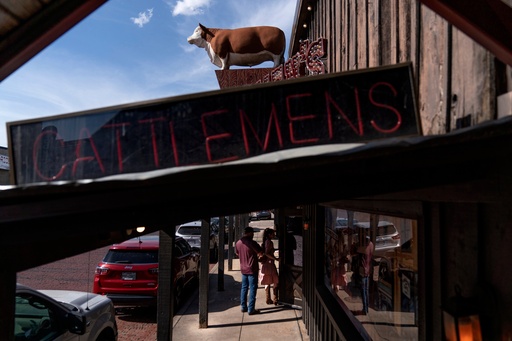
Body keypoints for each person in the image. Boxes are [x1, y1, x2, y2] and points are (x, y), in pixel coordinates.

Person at [235, 226, 264, 315]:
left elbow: (237, 253)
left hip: (243, 268)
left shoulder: (238, 243)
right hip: (252, 269)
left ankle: (243, 307)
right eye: (252, 233)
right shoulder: (252, 243)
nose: (253, 234)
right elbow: (260, 252)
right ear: (249, 233)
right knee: (252, 288)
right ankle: (251, 309)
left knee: (244, 288)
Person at [259, 228, 279, 305]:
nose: (274, 235)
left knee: (267, 281)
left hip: (265, 265)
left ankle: (268, 298)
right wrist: (276, 258)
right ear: (269, 235)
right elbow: (267, 253)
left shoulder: (264, 242)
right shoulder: (269, 242)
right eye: (272, 234)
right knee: (275, 280)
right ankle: (275, 298)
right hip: (270, 264)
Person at [359, 235, 374, 314]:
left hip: (363, 270)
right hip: (368, 269)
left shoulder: (364, 247)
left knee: (363, 290)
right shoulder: (371, 245)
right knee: (366, 290)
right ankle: (366, 307)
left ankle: (365, 308)